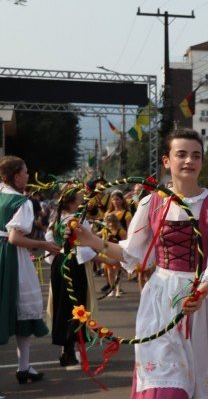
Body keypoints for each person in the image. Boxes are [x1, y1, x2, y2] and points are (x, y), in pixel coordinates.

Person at [69, 129, 208, 399]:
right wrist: (94, 240)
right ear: (167, 161)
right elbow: (132, 255)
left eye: (195, 154)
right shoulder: (152, 203)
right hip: (160, 299)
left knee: (189, 392)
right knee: (166, 390)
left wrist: (205, 289)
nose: (189, 160)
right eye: (181, 154)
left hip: (199, 303)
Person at [0, 156, 61, 386]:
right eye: (25, 172)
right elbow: (15, 238)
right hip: (11, 259)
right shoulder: (21, 202)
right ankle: (23, 367)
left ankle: (24, 367)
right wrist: (44, 244)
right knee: (21, 307)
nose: (28, 175)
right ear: (16, 176)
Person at [47, 184, 98, 368]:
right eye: (79, 199)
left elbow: (49, 239)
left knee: (63, 304)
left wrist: (57, 255)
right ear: (71, 202)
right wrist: (106, 258)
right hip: (74, 265)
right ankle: (69, 348)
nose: (82, 201)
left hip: (60, 262)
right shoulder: (76, 221)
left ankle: (67, 347)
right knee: (76, 305)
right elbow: (84, 247)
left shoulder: (56, 217)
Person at [102, 212, 126, 298]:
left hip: (117, 252)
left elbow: (124, 242)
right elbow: (103, 241)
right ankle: (112, 290)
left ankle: (118, 290)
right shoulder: (105, 230)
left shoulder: (120, 230)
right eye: (108, 221)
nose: (110, 223)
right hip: (108, 253)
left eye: (112, 221)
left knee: (117, 271)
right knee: (110, 272)